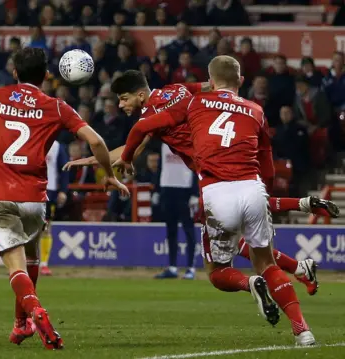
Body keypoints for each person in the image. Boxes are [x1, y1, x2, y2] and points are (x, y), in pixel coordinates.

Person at [64, 70, 338, 297]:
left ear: (140, 94)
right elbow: (210, 85)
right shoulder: (177, 89)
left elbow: (132, 150)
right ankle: (301, 265)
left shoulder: (150, 115)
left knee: (226, 246)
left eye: (123, 99)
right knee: (240, 229)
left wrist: (94, 159)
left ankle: (302, 217)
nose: (121, 105)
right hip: (229, 158)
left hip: (212, 172)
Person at [113, 58, 318, 345]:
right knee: (267, 263)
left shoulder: (193, 103)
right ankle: (303, 330)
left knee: (219, 272)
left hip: (214, 188)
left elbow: (139, 130)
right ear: (242, 81)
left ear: (210, 78)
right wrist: (267, 195)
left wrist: (124, 158)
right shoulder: (255, 110)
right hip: (252, 186)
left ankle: (251, 284)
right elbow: (268, 166)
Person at [0, 48, 128, 350]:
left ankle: (35, 312)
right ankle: (21, 324)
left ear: (14, 73)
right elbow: (97, 142)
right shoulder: (57, 107)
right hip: (35, 198)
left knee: (15, 267)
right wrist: (108, 174)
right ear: (47, 75)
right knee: (31, 257)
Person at [153, 143, 199, 280]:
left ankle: (190, 268)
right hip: (167, 188)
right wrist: (156, 189)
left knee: (188, 229)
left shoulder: (189, 142)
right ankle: (172, 266)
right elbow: (160, 166)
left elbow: (197, 167)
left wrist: (195, 193)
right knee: (171, 230)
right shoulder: (164, 143)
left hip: (184, 189)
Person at [39, 140, 69, 277]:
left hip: (49, 191)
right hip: (28, 189)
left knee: (46, 227)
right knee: (27, 228)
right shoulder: (28, 138)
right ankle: (25, 262)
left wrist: (63, 190)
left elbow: (64, 168)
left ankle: (44, 264)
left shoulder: (56, 146)